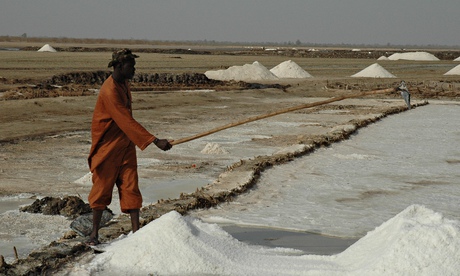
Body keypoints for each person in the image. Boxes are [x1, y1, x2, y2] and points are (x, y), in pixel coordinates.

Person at [86, 49, 172, 245]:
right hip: (107, 147)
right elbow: (125, 120)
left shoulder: (124, 84)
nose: (134, 69)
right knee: (101, 189)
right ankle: (94, 235)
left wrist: (149, 140)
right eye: (131, 66)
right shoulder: (109, 90)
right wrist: (154, 141)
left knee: (131, 186)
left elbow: (127, 122)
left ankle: (136, 233)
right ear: (118, 67)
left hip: (125, 144)